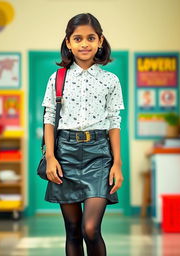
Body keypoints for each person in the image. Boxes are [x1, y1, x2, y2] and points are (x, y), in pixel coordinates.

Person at [41, 13, 124, 256]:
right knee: (74, 230)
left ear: (100, 41)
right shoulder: (57, 78)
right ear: (68, 42)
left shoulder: (111, 80)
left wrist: (117, 163)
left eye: (90, 38)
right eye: (77, 38)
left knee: (91, 229)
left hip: (98, 155)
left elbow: (114, 122)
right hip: (64, 154)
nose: (84, 43)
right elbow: (48, 119)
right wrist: (51, 158)